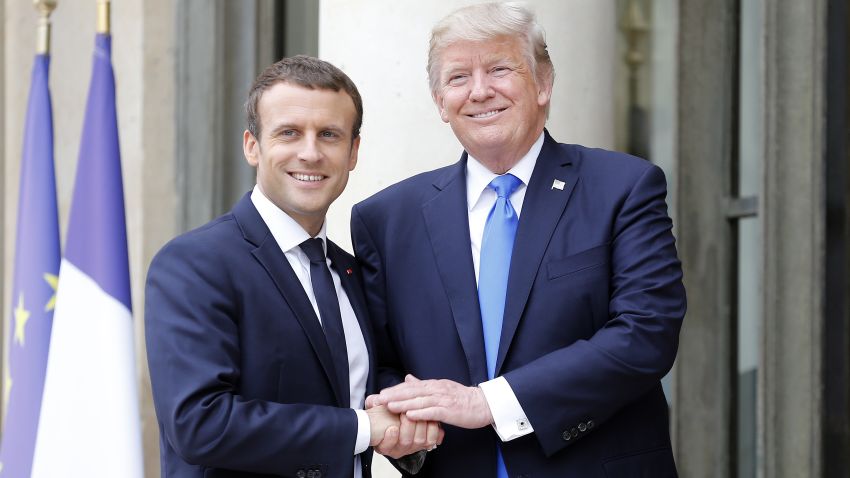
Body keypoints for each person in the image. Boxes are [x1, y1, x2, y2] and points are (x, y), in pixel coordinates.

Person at [352, 3, 686, 477]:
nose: (480, 91)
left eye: (499, 69)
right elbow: (381, 362)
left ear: (544, 83)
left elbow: (645, 335)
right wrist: (406, 432)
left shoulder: (623, 187)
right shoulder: (386, 219)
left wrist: (488, 402)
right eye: (458, 77)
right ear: (439, 102)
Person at [145, 55, 439, 478]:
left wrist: (408, 420)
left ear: (353, 151)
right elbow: (200, 424)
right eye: (289, 133)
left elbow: (359, 393)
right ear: (252, 145)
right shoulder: (194, 265)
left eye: (329, 135)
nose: (310, 152)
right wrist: (363, 428)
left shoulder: (352, 272)